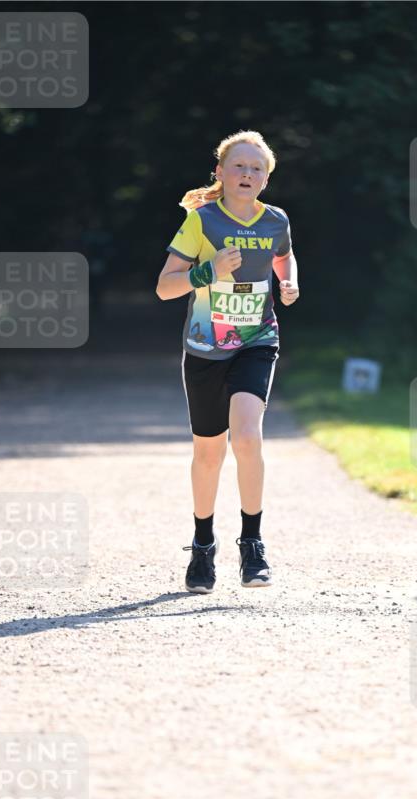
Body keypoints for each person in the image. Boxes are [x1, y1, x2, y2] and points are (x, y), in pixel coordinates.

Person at [156, 130, 299, 593]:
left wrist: (288, 282)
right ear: (220, 173)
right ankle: (202, 547)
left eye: (257, 168)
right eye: (239, 166)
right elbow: (165, 286)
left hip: (256, 339)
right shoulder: (202, 222)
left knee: (247, 436)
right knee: (208, 452)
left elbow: (285, 256)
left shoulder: (275, 220)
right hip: (204, 348)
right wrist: (209, 271)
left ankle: (252, 546)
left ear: (266, 178)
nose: (247, 174)